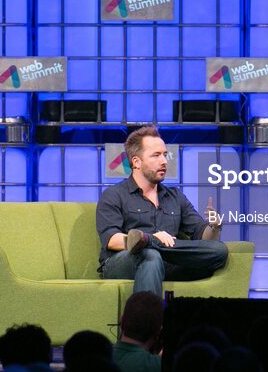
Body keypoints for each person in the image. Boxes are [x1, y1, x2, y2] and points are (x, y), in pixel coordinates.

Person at [97, 125, 228, 296]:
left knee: (219, 250)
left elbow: (201, 235)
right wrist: (153, 239)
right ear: (136, 162)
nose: (164, 161)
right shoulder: (114, 195)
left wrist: (214, 226)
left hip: (169, 262)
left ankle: (149, 242)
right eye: (156, 155)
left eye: (165, 155)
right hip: (124, 262)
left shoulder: (175, 196)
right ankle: (147, 316)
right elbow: (111, 240)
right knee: (150, 255)